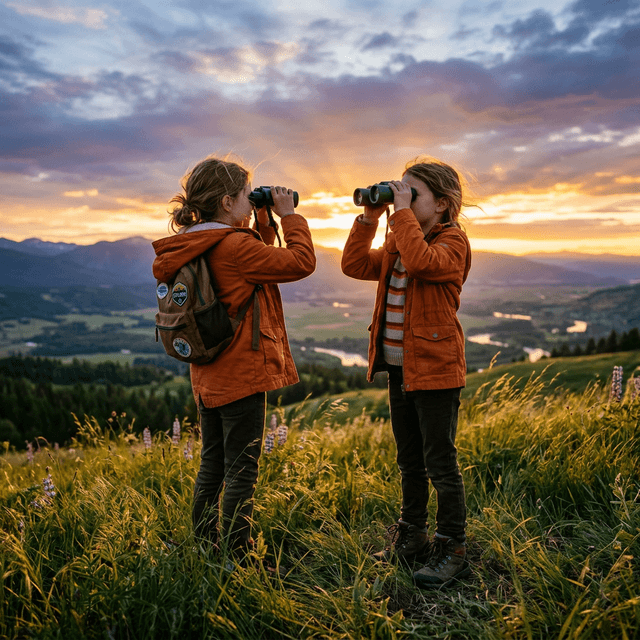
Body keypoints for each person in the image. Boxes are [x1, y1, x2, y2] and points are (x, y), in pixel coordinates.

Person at [152, 156, 315, 556]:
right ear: (227, 202)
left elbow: (254, 267)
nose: (249, 199)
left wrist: (262, 222)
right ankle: (237, 555)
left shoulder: (194, 241)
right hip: (242, 373)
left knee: (213, 463)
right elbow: (301, 263)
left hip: (207, 372)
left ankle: (205, 544)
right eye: (246, 194)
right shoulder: (236, 245)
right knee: (243, 468)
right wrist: (289, 216)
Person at [341, 157, 472, 588]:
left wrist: (397, 217)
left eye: (412, 195)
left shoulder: (452, 242)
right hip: (401, 370)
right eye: (402, 191)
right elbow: (355, 265)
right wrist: (368, 218)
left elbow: (422, 263)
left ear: (443, 204)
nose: (403, 201)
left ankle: (452, 545)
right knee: (409, 460)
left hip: (436, 371)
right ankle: (412, 535)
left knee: (440, 463)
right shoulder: (402, 239)